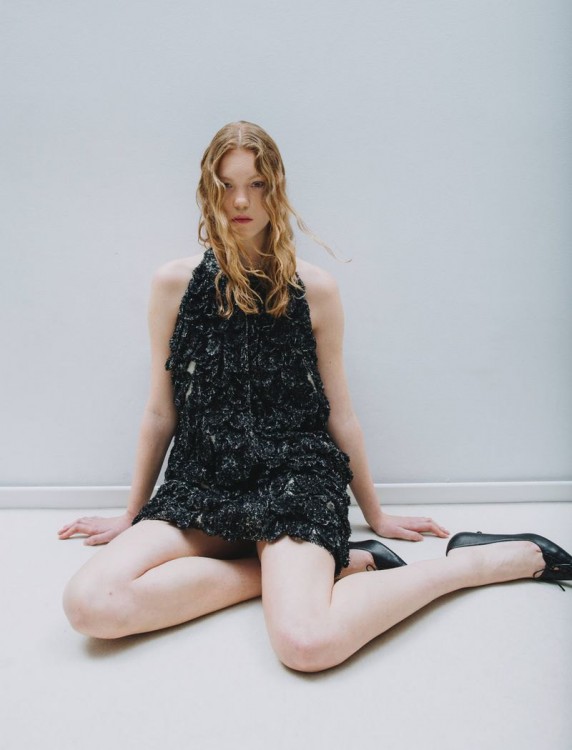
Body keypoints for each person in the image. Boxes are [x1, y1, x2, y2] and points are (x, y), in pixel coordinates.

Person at [59, 121, 572, 672]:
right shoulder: (173, 285)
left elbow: (340, 415)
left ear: (276, 187)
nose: (240, 200)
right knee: (90, 605)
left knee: (306, 644)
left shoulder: (316, 289)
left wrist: (376, 514)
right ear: (208, 190)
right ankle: (338, 565)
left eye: (256, 184)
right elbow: (161, 411)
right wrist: (130, 513)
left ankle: (481, 562)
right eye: (227, 185)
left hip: (293, 480)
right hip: (201, 482)